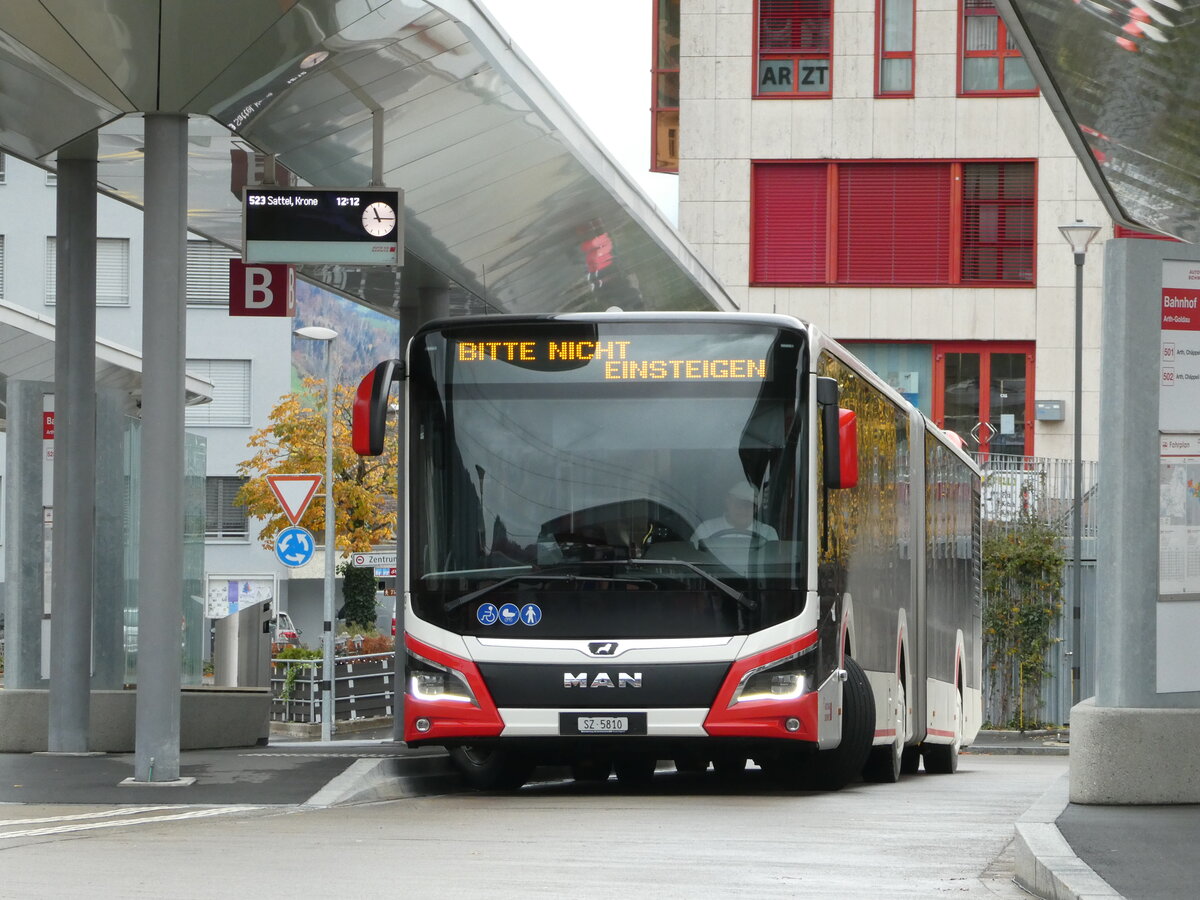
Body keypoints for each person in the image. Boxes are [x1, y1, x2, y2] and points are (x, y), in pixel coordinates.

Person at [691, 481, 778, 566]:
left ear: (756, 509)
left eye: (748, 505)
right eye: (738, 504)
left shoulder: (767, 533)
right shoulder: (706, 529)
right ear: (728, 502)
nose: (743, 510)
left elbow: (774, 566)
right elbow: (692, 560)